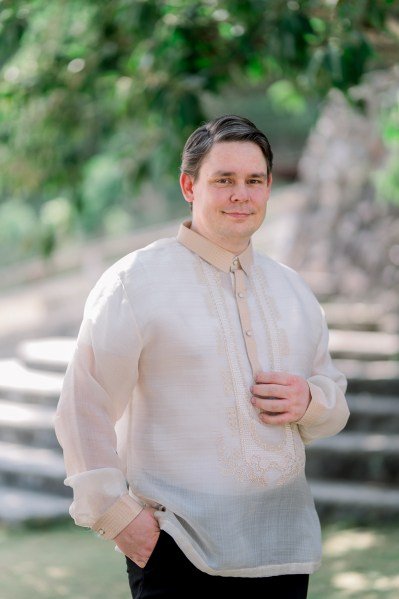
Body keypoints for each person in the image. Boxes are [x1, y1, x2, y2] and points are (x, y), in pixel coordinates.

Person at [55, 114, 349, 598]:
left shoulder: (293, 290)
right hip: (177, 550)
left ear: (270, 187)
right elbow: (82, 405)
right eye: (224, 180)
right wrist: (116, 515)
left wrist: (310, 402)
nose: (241, 194)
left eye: (254, 180)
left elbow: (332, 405)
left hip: (284, 547)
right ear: (189, 186)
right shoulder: (135, 283)